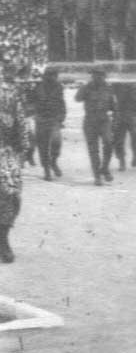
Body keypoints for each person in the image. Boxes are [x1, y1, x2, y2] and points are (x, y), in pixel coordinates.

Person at [0, 65, 29, 263]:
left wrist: (23, 148)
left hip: (6, 151)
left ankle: (3, 239)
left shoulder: (10, 94)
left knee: (12, 196)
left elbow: (20, 120)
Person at [75, 68, 118, 186]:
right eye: (95, 75)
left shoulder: (108, 88)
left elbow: (114, 106)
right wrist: (84, 87)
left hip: (104, 120)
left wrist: (115, 120)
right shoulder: (87, 87)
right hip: (90, 121)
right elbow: (77, 98)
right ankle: (97, 176)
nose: (98, 77)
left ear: (104, 76)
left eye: (100, 75)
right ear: (92, 76)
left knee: (109, 143)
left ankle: (104, 168)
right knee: (93, 150)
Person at [32, 67, 66, 181]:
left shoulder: (58, 87)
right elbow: (30, 101)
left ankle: (53, 161)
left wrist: (61, 117)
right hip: (41, 120)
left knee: (57, 142)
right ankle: (46, 170)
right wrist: (34, 112)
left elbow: (61, 102)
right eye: (49, 75)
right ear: (44, 76)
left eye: (53, 75)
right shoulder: (37, 87)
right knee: (43, 147)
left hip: (54, 119)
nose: (51, 78)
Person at [112, 83, 136, 170]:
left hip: (132, 115)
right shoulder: (117, 85)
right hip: (120, 114)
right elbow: (111, 98)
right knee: (119, 139)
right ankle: (121, 162)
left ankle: (135, 158)